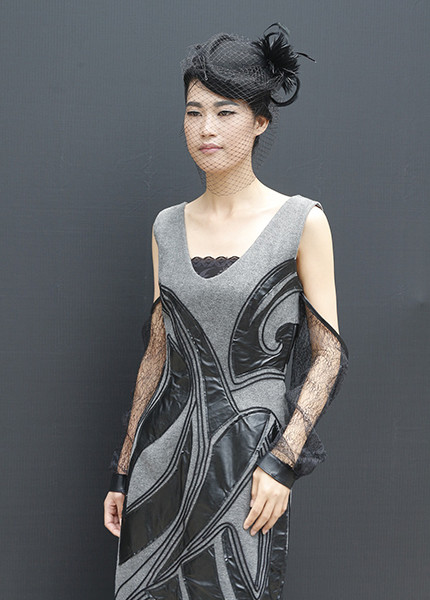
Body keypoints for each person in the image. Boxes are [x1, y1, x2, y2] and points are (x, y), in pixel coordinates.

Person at [104, 22, 349, 600]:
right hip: (159, 467)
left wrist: (283, 461)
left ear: (260, 120)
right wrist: (124, 468)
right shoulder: (166, 226)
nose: (205, 128)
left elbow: (329, 354)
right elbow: (158, 351)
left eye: (225, 112)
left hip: (248, 467)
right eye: (193, 112)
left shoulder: (301, 221)